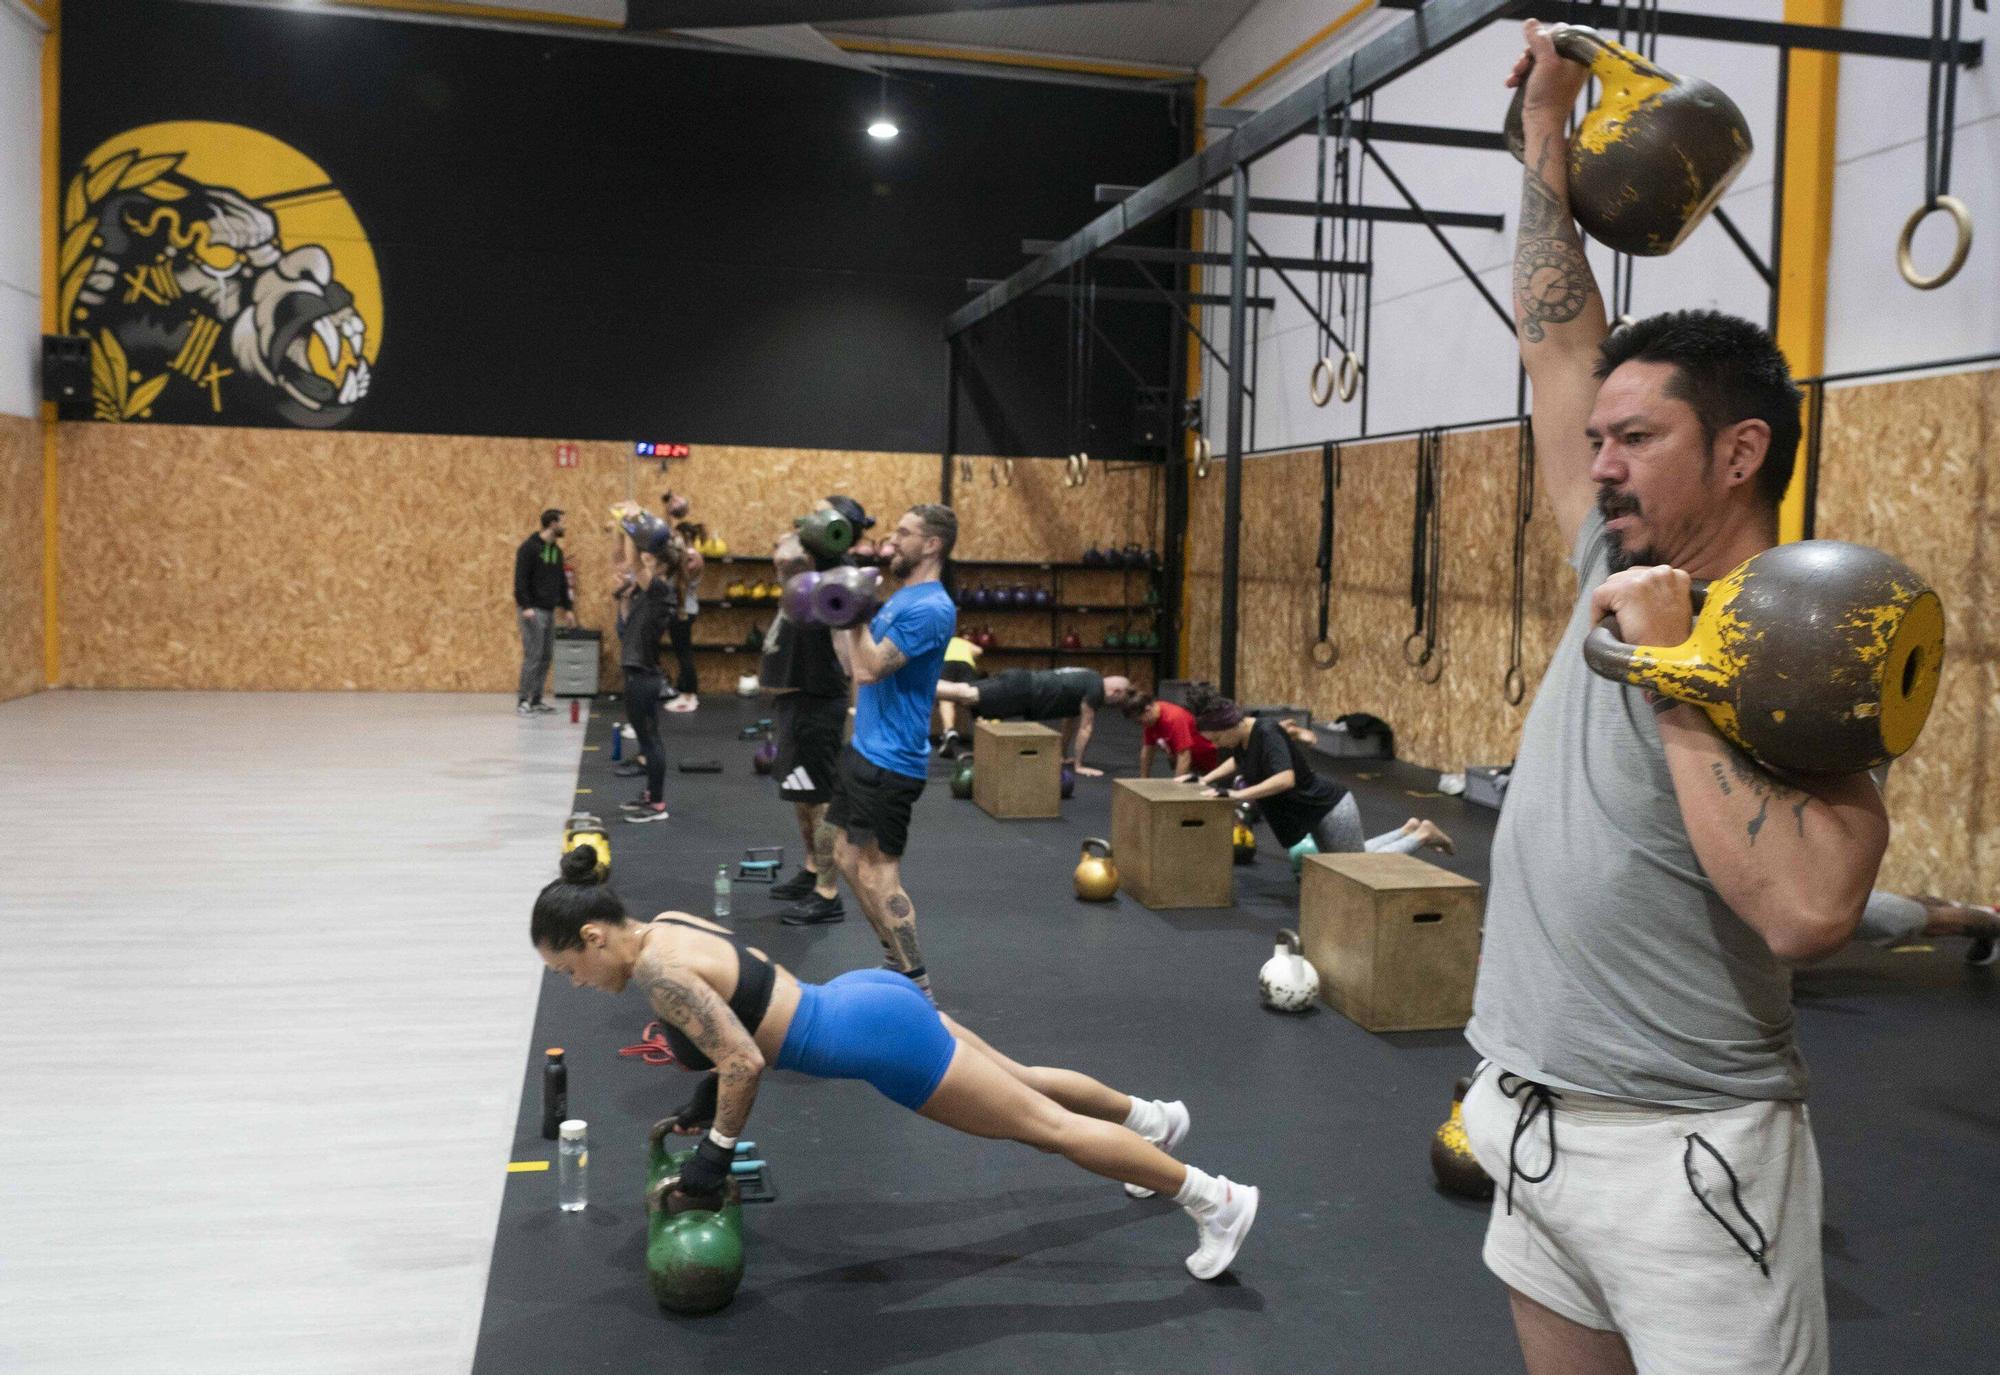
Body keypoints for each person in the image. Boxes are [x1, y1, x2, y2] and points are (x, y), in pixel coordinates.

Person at [1455, 25, 1895, 1375]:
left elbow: (1814, 907)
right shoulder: (1613, 543)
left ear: (1740, 449)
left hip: (1689, 1147)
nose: (1597, 464)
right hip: (1526, 1108)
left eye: (1634, 439)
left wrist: (1672, 679)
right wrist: (1546, 133)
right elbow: (1553, 337)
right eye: (1598, 441)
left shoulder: (1810, 632)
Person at [531, 846, 1260, 1280]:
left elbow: (745, 1060)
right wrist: (703, 1094)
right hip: (864, 997)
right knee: (1030, 1081)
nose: (577, 983)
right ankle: (1153, 1121)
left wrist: (714, 1157)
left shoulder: (658, 974)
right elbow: (741, 1015)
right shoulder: (665, 928)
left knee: (1046, 1126)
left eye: (569, 968)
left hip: (881, 1040)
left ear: (594, 936)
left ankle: (1213, 1198)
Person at [828, 504, 959, 996]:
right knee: (843, 854)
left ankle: (917, 980)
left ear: (932, 545)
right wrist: (844, 615)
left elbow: (872, 670)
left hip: (893, 761)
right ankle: (894, 958)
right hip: (866, 747)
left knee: (880, 871)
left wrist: (859, 615)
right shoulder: (902, 599)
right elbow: (851, 664)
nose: (892, 540)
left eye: (904, 534)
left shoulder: (931, 607)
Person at [1183, 688, 1452, 859]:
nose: (1217, 746)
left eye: (1217, 738)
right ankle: (1407, 830)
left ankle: (1422, 836)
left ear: (1230, 725)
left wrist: (1236, 794)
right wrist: (1205, 779)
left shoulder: (1265, 732)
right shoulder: (1243, 738)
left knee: (1355, 870)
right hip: (1311, 810)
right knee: (1344, 861)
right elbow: (1240, 763)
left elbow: (1285, 779)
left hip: (1329, 807)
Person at [760, 527, 852, 926]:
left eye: (786, 545)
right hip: (794, 701)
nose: (777, 546)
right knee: (801, 794)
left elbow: (848, 658)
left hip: (818, 704)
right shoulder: (796, 586)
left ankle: (828, 893)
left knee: (820, 799)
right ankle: (813, 867)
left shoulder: (829, 588)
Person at [933, 669, 1132, 777]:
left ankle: (915, 683)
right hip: (1023, 691)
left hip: (1020, 681)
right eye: (1118, 702)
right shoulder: (1096, 690)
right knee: (965, 695)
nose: (1113, 706)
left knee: (962, 690)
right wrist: (1079, 766)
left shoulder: (1089, 677)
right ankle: (910, 683)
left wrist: (1063, 756)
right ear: (1116, 692)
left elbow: (1069, 721)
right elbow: (1086, 728)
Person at [611, 524, 675, 824]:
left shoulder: (662, 591)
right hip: (637, 671)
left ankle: (657, 804)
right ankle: (651, 794)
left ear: (659, 564)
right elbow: (626, 628)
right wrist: (624, 598)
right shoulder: (648, 597)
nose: (643, 563)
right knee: (645, 739)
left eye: (650, 559)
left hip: (644, 675)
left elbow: (634, 563)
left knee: (650, 741)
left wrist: (629, 528)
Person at [513, 508, 575, 715]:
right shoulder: (529, 548)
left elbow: (561, 582)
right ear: (552, 524)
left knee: (546, 655)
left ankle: (537, 699)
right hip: (532, 610)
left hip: (548, 611)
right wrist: (526, 606)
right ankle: (523, 699)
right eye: (563, 522)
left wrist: (567, 608)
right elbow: (520, 580)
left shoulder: (556, 552)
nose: (565, 526)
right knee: (533, 654)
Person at [1852, 889, 1999, 964]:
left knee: (1934, 920)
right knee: (1913, 907)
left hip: (1837, 913)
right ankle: (1982, 912)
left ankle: (1992, 921)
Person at [1123, 691, 1219, 780]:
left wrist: (1175, 787)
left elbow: (1184, 756)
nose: (1141, 725)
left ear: (1148, 710)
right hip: (1196, 766)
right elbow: (1148, 750)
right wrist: (1143, 778)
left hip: (1215, 764)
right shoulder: (1151, 721)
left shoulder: (1174, 718)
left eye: (1140, 721)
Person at [934, 634, 983, 759]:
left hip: (946, 663)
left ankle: (949, 730)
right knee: (973, 699)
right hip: (965, 666)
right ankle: (986, 734)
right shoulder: (965, 643)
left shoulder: (942, 640)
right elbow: (979, 651)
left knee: (946, 698)